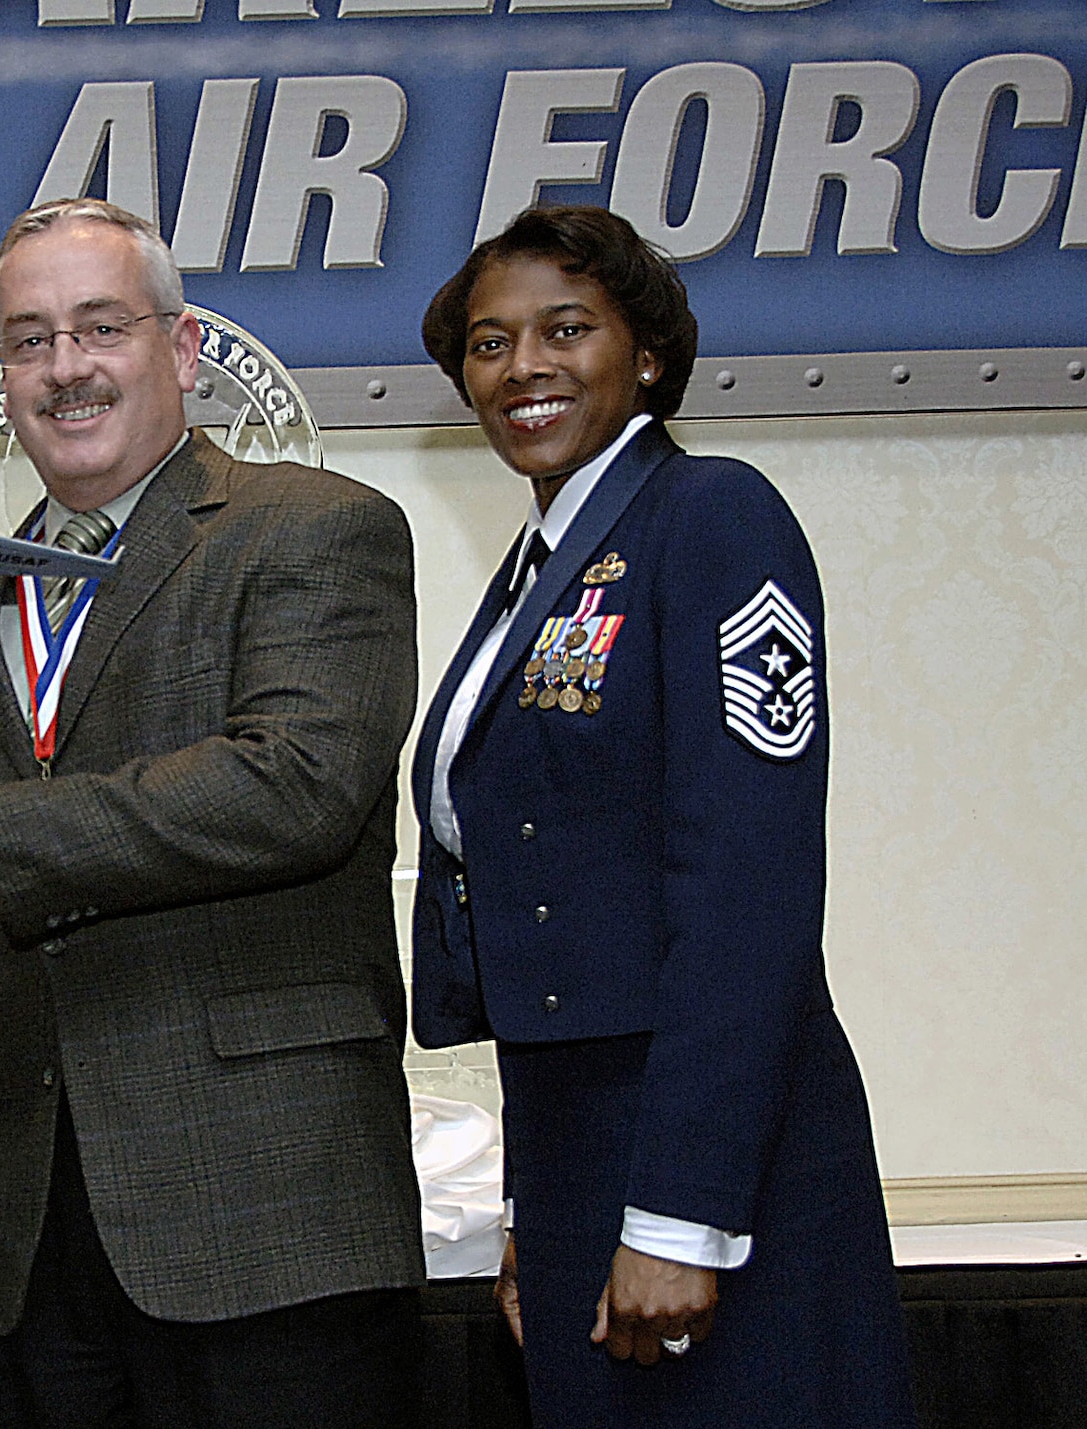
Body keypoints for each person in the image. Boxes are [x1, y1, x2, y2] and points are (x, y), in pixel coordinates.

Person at [0, 198, 427, 1428]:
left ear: (178, 351)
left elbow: (293, 789)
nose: (64, 368)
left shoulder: (314, 529)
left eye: (98, 327)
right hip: (40, 1228)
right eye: (27, 340)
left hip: (271, 1217)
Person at [408, 204, 916, 1427]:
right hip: (585, 1143)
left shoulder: (710, 517)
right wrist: (535, 1205)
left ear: (643, 354)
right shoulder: (543, 565)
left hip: (714, 1158)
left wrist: (686, 1214)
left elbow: (747, 893)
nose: (520, 365)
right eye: (488, 343)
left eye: (562, 329)